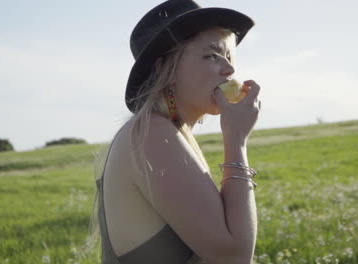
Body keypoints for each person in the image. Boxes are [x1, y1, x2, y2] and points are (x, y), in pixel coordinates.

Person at [93, 0, 261, 263]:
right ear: (164, 68)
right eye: (211, 55)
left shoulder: (170, 131)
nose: (230, 69)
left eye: (228, 56)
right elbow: (234, 258)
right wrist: (236, 139)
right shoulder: (151, 134)